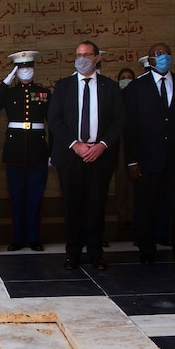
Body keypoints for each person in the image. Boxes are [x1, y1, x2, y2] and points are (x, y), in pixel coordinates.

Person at [48, 40, 125, 270]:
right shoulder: (63, 87)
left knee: (96, 205)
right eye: (78, 55)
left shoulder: (110, 88)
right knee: (72, 206)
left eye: (86, 55)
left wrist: (102, 145)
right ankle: (73, 253)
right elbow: (54, 120)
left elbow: (118, 121)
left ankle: (95, 253)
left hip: (100, 156)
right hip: (72, 156)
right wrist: (75, 145)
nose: (81, 59)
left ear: (97, 58)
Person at [123, 43, 175, 263]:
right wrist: (132, 161)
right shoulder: (136, 88)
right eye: (158, 54)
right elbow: (130, 127)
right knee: (147, 207)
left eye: (166, 54)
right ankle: (147, 250)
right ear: (150, 60)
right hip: (147, 159)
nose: (163, 57)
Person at [0, 50, 51, 251]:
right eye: (21, 68)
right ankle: (17, 238)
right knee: (16, 196)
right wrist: (6, 81)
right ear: (16, 70)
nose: (25, 71)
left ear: (33, 69)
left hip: (38, 150)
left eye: (28, 67)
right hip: (15, 151)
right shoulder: (9, 92)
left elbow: (53, 122)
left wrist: (52, 152)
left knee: (35, 196)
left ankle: (33, 238)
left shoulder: (44, 92)